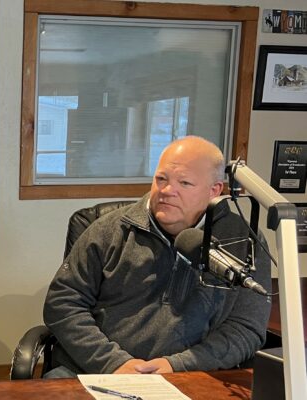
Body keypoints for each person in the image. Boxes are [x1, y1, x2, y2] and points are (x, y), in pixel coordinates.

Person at [43, 136, 272, 378]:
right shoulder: (109, 230)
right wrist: (113, 363)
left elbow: (246, 327)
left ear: (214, 191)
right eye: (161, 179)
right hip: (96, 371)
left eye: (184, 183)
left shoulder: (243, 242)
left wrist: (178, 365)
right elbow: (63, 304)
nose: (167, 191)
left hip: (191, 375)